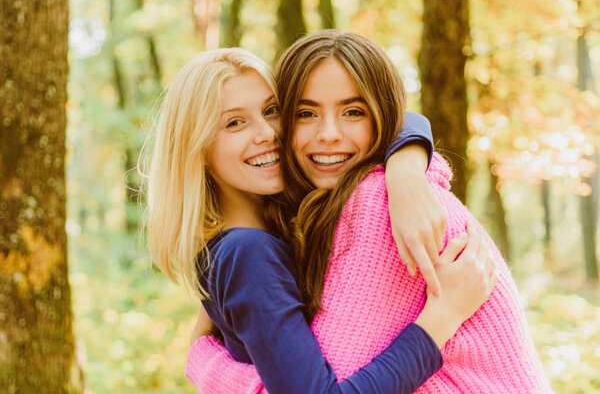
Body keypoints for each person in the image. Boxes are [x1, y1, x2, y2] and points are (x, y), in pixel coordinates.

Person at [186, 31, 553, 393]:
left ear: (382, 118)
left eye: (353, 111)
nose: (329, 133)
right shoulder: (314, 212)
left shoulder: (375, 203)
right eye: (306, 113)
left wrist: (205, 362)